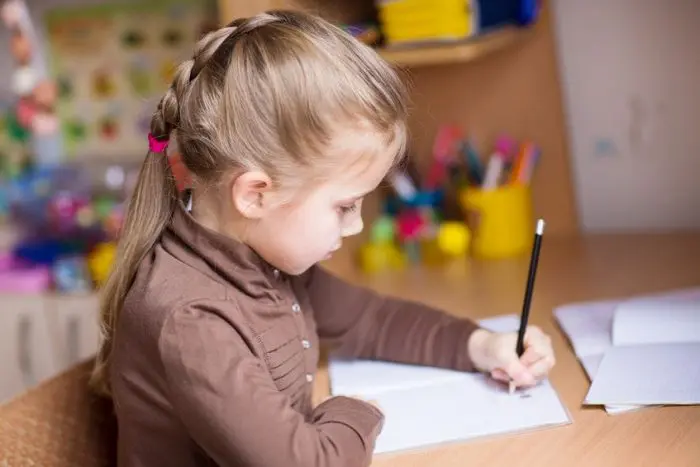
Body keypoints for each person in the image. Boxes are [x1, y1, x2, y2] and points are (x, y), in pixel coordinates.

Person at [90, 10, 555, 467]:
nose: (354, 226)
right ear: (255, 195)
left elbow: (372, 321)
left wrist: (482, 345)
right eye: (344, 206)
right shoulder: (191, 321)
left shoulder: (258, 255)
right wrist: (356, 410)